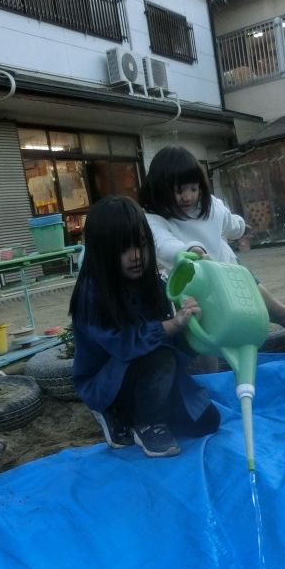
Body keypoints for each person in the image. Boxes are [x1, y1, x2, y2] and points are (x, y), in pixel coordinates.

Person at [141, 145, 285, 358]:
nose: (187, 196)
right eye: (179, 191)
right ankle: (213, 386)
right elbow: (162, 244)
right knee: (206, 339)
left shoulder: (211, 205)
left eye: (193, 189)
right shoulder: (155, 218)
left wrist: (242, 227)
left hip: (232, 273)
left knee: (274, 309)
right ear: (160, 187)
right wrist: (189, 250)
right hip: (195, 288)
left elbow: (231, 225)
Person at [69, 196, 221, 458]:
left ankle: (133, 413)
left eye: (140, 244)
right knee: (159, 355)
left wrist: (196, 322)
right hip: (107, 379)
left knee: (207, 422)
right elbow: (126, 344)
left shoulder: (151, 282)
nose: (136, 256)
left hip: (145, 371)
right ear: (102, 252)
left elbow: (173, 342)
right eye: (123, 248)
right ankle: (139, 420)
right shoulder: (92, 293)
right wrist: (173, 325)